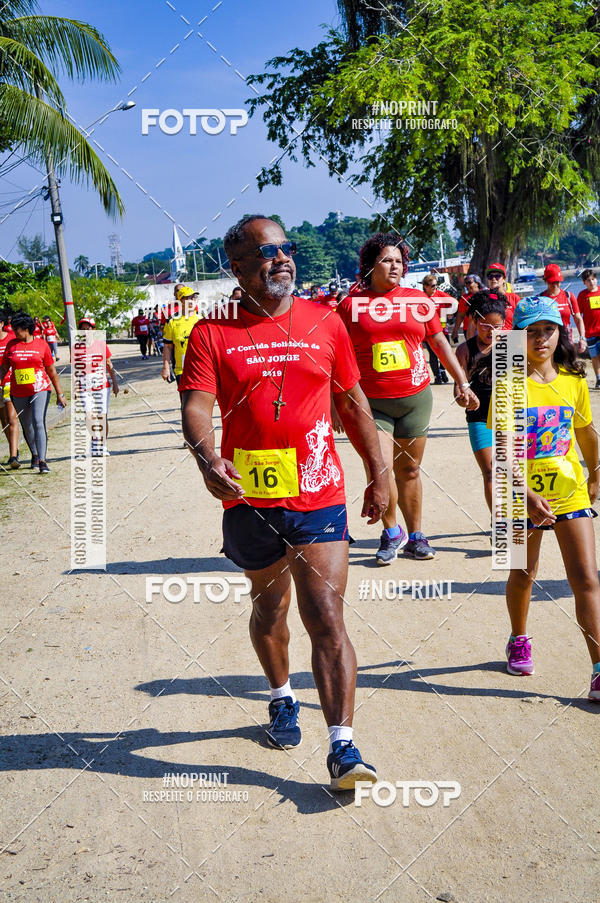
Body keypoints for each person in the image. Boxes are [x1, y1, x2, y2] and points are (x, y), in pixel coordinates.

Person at [180, 214, 388, 790]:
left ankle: (343, 748)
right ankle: (280, 695)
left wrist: (379, 472)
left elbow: (352, 402)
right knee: (269, 608)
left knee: (325, 613)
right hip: (248, 498)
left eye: (287, 247)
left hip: (319, 491)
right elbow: (197, 406)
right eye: (266, 251)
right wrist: (207, 456)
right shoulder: (210, 332)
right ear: (237, 266)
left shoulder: (325, 321)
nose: (282, 258)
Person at [337, 233, 479, 564]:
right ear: (371, 265)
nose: (395, 266)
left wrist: (462, 381)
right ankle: (391, 532)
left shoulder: (419, 301)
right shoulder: (350, 306)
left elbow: (440, 343)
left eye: (399, 261)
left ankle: (416, 535)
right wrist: (335, 400)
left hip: (416, 398)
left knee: (410, 471)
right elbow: (336, 354)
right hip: (371, 402)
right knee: (381, 469)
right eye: (387, 260)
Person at [488, 296, 600, 701]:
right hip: (519, 497)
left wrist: (595, 471)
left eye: (547, 330)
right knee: (523, 573)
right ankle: (519, 637)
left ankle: (599, 668)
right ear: (517, 339)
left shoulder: (574, 381)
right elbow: (502, 451)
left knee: (586, 579)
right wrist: (526, 493)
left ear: (560, 333)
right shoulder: (507, 386)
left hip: (569, 494)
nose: (540, 339)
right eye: (531, 332)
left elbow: (586, 433)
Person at [454, 291, 507, 513]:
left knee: (513, 470)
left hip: (508, 416)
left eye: (497, 326)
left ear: (504, 324)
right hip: (478, 417)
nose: (491, 331)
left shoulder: (510, 346)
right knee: (491, 471)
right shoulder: (465, 350)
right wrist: (465, 398)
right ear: (475, 322)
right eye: (485, 326)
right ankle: (498, 523)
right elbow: (458, 389)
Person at [0, 311, 66, 473]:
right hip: (18, 391)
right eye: (14, 328)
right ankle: (35, 454)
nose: (15, 331)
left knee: (38, 421)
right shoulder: (12, 345)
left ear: (27, 328)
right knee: (27, 426)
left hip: (40, 389)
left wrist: (60, 394)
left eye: (18, 328)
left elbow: (52, 372)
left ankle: (43, 461)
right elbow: (4, 368)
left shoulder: (41, 345)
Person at [74, 316, 118, 456]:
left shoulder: (101, 344)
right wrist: (75, 387)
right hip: (84, 387)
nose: (86, 332)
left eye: (89, 329)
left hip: (102, 386)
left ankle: (103, 445)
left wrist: (115, 383)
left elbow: (109, 365)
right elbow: (75, 370)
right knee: (89, 415)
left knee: (102, 416)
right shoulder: (77, 348)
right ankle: (94, 441)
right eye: (83, 329)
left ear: (93, 330)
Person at [540, 263, 586, 352]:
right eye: (551, 282)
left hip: (567, 341)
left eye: (557, 281)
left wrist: (582, 338)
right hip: (548, 342)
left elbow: (578, 319)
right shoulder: (540, 299)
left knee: (568, 365)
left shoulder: (569, 296)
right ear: (545, 281)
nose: (555, 285)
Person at [161, 288, 200, 389]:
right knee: (186, 403)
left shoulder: (202, 320)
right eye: (188, 297)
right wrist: (166, 367)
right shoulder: (172, 322)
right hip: (182, 371)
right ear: (181, 301)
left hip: (202, 369)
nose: (192, 300)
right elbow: (167, 346)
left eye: (194, 297)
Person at [421, 274, 454, 383]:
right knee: (433, 354)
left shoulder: (440, 295)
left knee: (444, 353)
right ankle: (437, 376)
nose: (435, 288)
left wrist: (449, 313)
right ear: (425, 286)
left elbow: (453, 302)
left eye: (436, 285)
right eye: (432, 286)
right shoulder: (421, 297)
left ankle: (443, 370)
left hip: (442, 329)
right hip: (429, 332)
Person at [0, 309, 19, 468]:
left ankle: (14, 456)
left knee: (12, 418)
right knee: (4, 420)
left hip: (9, 383)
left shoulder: (11, 340)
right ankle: (14, 449)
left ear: (1, 324)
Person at [577, 268, 600, 388]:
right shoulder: (582, 295)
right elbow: (578, 315)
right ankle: (598, 378)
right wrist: (581, 335)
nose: (591, 282)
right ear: (584, 283)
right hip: (590, 332)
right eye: (588, 280)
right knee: (594, 357)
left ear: (596, 279)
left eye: (593, 279)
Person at [451, 274, 484, 342]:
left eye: (469, 282)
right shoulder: (464, 298)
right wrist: (455, 331)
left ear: (477, 283)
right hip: (468, 329)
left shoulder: (486, 294)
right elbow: (460, 316)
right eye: (465, 283)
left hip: (483, 328)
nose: (467, 285)